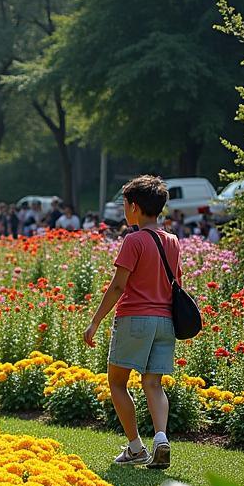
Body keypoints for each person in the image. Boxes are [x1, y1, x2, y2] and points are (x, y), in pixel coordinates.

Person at [83, 174, 178, 469]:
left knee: (117, 383)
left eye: (125, 204)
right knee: (153, 383)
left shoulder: (133, 240)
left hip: (135, 318)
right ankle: (160, 438)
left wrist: (95, 321)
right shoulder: (172, 241)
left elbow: (117, 287)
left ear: (134, 207)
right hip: (165, 321)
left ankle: (136, 447)